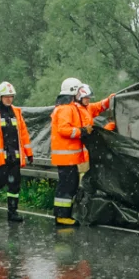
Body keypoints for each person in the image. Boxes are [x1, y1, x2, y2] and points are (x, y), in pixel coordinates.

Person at [0, 81, 33, 223]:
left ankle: (12, 212)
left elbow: (24, 134)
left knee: (14, 185)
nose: (9, 99)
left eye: (11, 96)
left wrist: (29, 153)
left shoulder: (17, 112)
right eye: (6, 96)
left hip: (14, 157)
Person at [50, 78, 94, 227]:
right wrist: (81, 131)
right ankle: (61, 216)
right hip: (66, 157)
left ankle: (64, 215)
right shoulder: (65, 109)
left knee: (70, 184)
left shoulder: (68, 107)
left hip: (68, 157)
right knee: (67, 186)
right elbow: (63, 129)